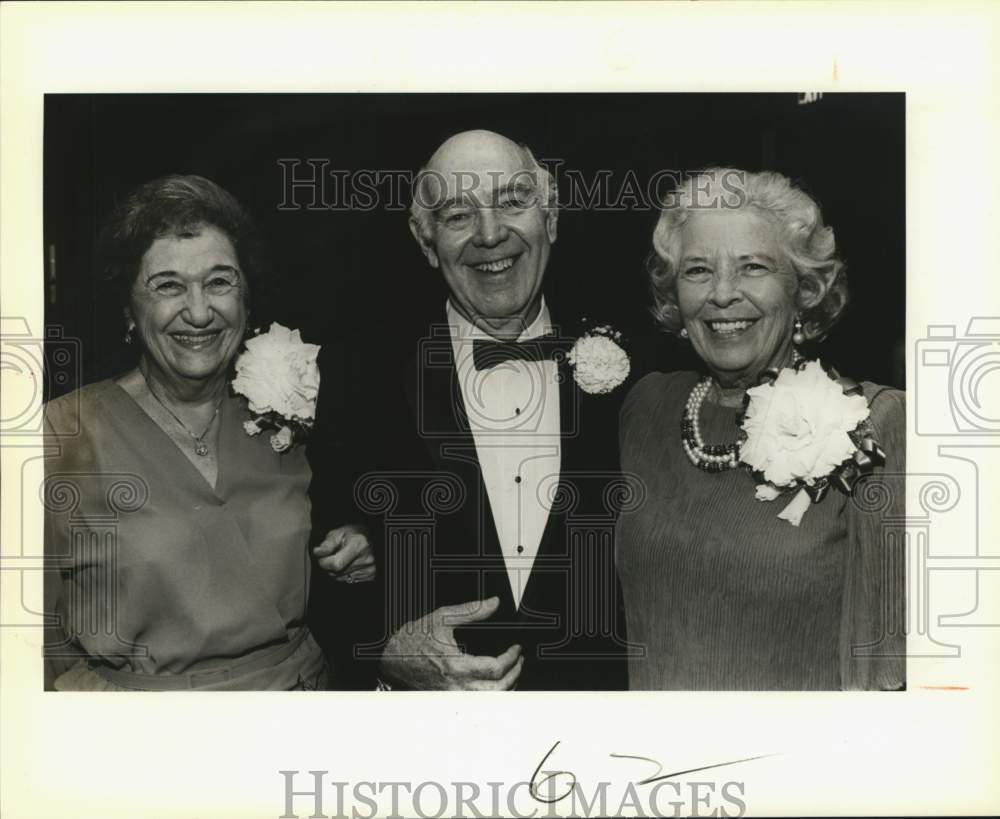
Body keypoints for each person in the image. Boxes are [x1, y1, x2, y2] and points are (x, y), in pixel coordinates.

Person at [316, 129, 633, 690]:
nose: (491, 235)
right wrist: (387, 651)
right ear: (425, 238)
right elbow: (317, 572)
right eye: (459, 215)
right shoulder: (361, 375)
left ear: (551, 217)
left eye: (513, 202)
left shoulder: (638, 366)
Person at [43, 174, 373, 691]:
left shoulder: (286, 410)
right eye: (168, 286)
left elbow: (337, 542)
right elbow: (28, 642)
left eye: (220, 282)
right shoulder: (60, 434)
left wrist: (359, 547)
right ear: (129, 310)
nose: (199, 312)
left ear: (247, 299)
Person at [617, 168, 905, 691]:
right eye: (698, 270)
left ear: (803, 289)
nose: (722, 294)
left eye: (753, 267)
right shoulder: (647, 408)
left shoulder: (876, 422)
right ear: (674, 295)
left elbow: (886, 673)